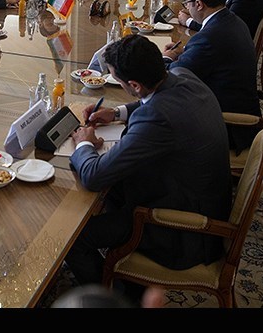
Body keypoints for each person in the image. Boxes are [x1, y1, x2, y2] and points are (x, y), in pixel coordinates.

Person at [64, 34, 231, 298]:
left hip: (182, 229)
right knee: (113, 189)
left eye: (117, 80)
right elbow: (152, 100)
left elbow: (93, 176)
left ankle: (114, 299)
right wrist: (116, 112)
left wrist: (84, 143)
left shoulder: (157, 117)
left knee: (72, 238)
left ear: (134, 84)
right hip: (201, 199)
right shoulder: (182, 75)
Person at [163, 0, 260, 153]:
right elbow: (210, 57)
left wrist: (167, 57)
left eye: (187, 3)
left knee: (156, 128)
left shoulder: (209, 37)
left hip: (229, 127)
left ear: (199, 4)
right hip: (236, 107)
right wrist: (186, 52)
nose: (187, 7)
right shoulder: (231, 20)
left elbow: (171, 78)